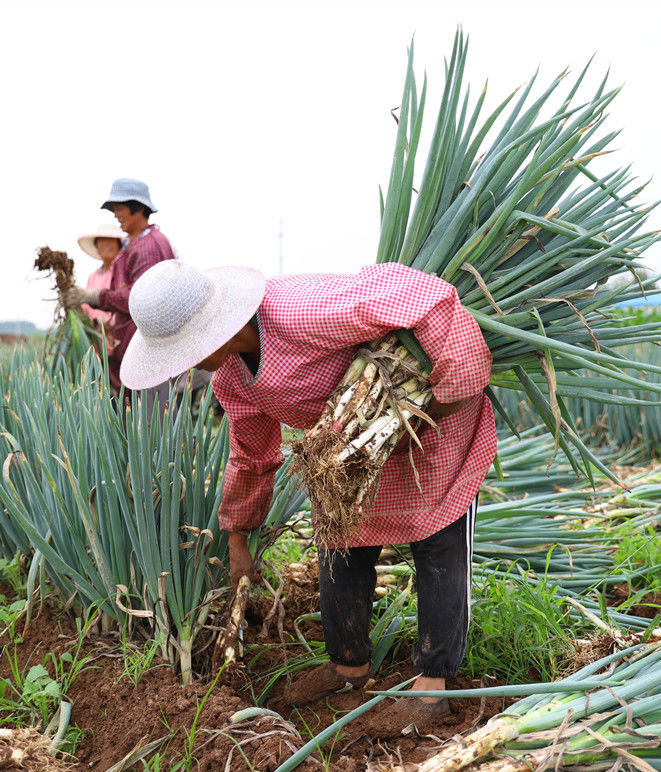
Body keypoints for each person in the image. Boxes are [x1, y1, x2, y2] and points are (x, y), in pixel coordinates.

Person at [119, 259, 497, 732]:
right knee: (339, 538)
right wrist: (238, 537)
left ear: (212, 330)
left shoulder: (300, 311)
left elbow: (427, 298)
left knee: (436, 540)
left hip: (431, 421)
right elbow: (251, 456)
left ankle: (433, 685)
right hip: (349, 451)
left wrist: (450, 390)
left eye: (186, 350)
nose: (188, 364)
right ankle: (348, 667)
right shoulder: (232, 378)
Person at [65, 178, 175, 397]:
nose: (116, 215)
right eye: (114, 210)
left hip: (147, 354)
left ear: (140, 208)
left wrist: (94, 296)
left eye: (120, 208)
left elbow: (140, 298)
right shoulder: (134, 244)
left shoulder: (148, 246)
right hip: (134, 350)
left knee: (149, 420)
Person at [76, 222, 125, 343]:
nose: (106, 244)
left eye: (110, 240)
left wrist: (104, 322)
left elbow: (123, 302)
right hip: (94, 341)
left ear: (119, 245)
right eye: (102, 240)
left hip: (116, 339)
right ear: (96, 245)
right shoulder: (92, 277)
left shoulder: (122, 274)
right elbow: (86, 307)